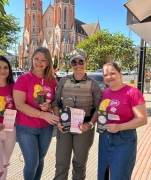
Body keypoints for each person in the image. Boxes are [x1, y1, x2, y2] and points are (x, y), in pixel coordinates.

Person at [52, 49, 101, 180]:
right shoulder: (63, 81)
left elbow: (99, 108)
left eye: (81, 61)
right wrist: (58, 123)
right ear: (70, 64)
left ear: (86, 62)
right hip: (65, 128)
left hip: (84, 128)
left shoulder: (93, 84)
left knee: (79, 164)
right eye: (74, 62)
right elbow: (55, 103)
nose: (78, 65)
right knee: (61, 164)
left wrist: (90, 124)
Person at [13, 47, 60, 180]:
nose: (39, 62)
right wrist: (43, 114)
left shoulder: (52, 81)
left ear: (48, 63)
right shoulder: (24, 79)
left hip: (46, 128)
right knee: (32, 163)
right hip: (26, 128)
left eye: (43, 60)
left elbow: (57, 103)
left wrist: (49, 106)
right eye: (36, 59)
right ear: (32, 59)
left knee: (40, 160)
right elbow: (19, 105)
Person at [98, 62, 147, 180]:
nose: (109, 77)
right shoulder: (104, 93)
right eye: (106, 75)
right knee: (103, 174)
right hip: (104, 138)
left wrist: (119, 127)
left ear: (120, 73)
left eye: (112, 73)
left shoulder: (132, 93)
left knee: (120, 176)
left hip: (124, 139)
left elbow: (142, 119)